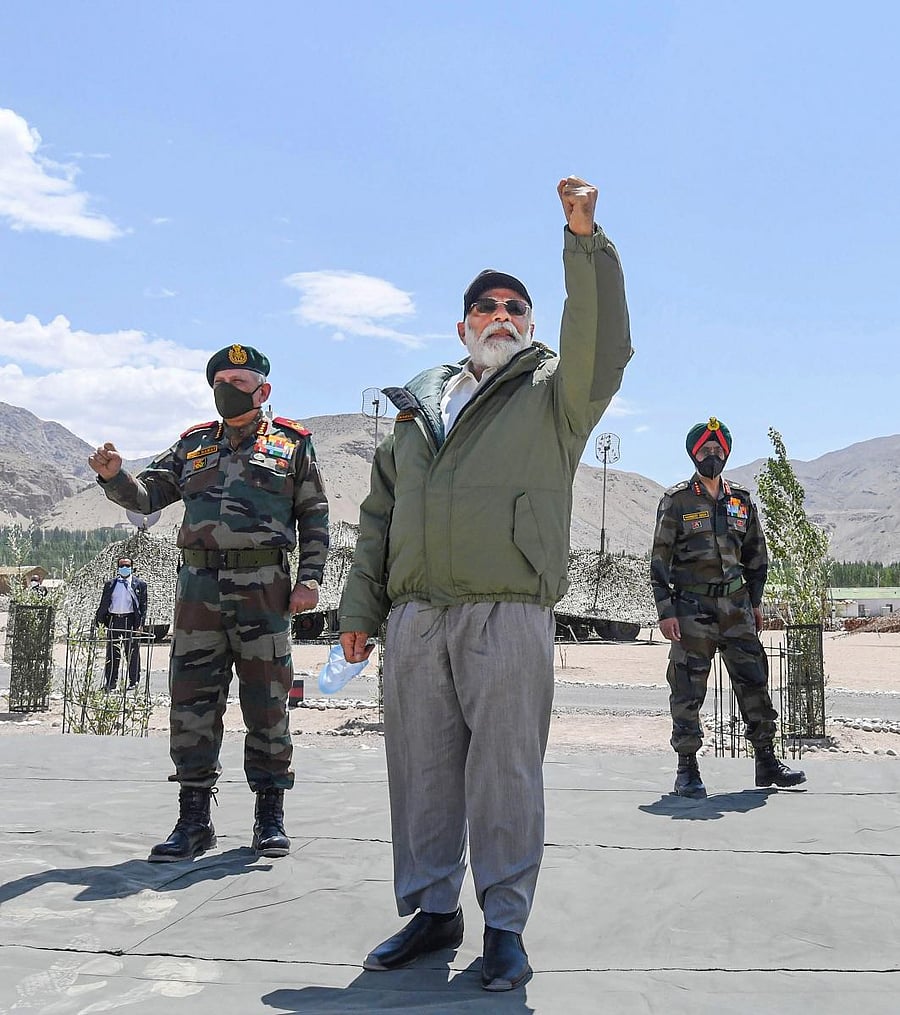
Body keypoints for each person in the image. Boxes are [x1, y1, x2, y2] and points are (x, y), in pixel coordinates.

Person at [339, 176, 632, 991]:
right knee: (422, 769)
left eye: (516, 308)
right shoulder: (416, 414)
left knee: (505, 770)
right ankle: (434, 913)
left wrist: (584, 241)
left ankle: (504, 924)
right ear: (461, 326)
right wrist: (361, 609)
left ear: (531, 324)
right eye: (485, 307)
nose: (501, 316)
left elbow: (604, 345)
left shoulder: (553, 397)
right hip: (415, 617)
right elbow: (377, 517)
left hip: (507, 611)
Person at [88, 344, 329, 862]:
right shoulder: (192, 445)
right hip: (198, 590)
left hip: (264, 588)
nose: (227, 389)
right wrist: (114, 477)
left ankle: (270, 817)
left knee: (267, 701)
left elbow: (314, 518)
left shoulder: (293, 445)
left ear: (263, 390)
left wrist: (309, 581)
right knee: (192, 700)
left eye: (239, 382)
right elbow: (148, 496)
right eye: (220, 379)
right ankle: (193, 820)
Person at [650, 417, 807, 798]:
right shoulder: (677, 501)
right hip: (692, 608)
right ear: (693, 453)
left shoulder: (741, 500)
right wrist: (666, 610)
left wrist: (754, 602)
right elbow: (659, 559)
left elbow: (756, 555)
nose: (713, 455)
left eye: (719, 450)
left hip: (737, 607)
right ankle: (687, 769)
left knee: (754, 680)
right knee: (688, 688)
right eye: (705, 449)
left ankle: (767, 761)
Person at [94, 556, 148, 690]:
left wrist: (140, 624)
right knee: (112, 653)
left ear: (132, 567)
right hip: (114, 620)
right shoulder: (111, 584)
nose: (124, 568)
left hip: (130, 621)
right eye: (122, 566)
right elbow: (104, 603)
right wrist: (100, 621)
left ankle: (133, 681)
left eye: (127, 566)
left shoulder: (139, 585)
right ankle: (111, 683)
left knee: (132, 652)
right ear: (118, 568)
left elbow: (143, 606)